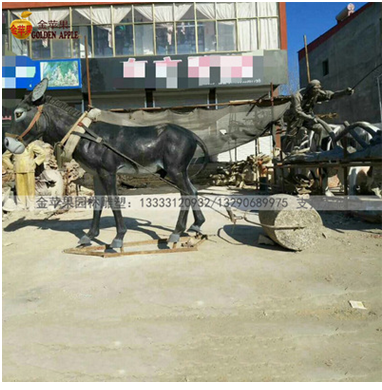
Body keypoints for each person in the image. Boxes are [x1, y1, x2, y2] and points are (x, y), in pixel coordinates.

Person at [283, 79, 354, 152]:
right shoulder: (297, 96)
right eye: (315, 90)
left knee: (320, 129)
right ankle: (286, 153)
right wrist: (310, 118)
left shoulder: (317, 93)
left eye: (318, 90)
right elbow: (297, 112)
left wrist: (345, 92)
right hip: (295, 118)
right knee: (290, 136)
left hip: (308, 116)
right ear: (310, 89)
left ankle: (318, 148)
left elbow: (332, 95)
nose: (316, 92)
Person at [2, 141, 46, 210]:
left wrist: (35, 162)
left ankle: (31, 204)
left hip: (29, 169)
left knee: (30, 188)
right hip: (18, 169)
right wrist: (11, 166)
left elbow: (42, 153)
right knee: (20, 188)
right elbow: (4, 157)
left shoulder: (32, 146)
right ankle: (21, 205)